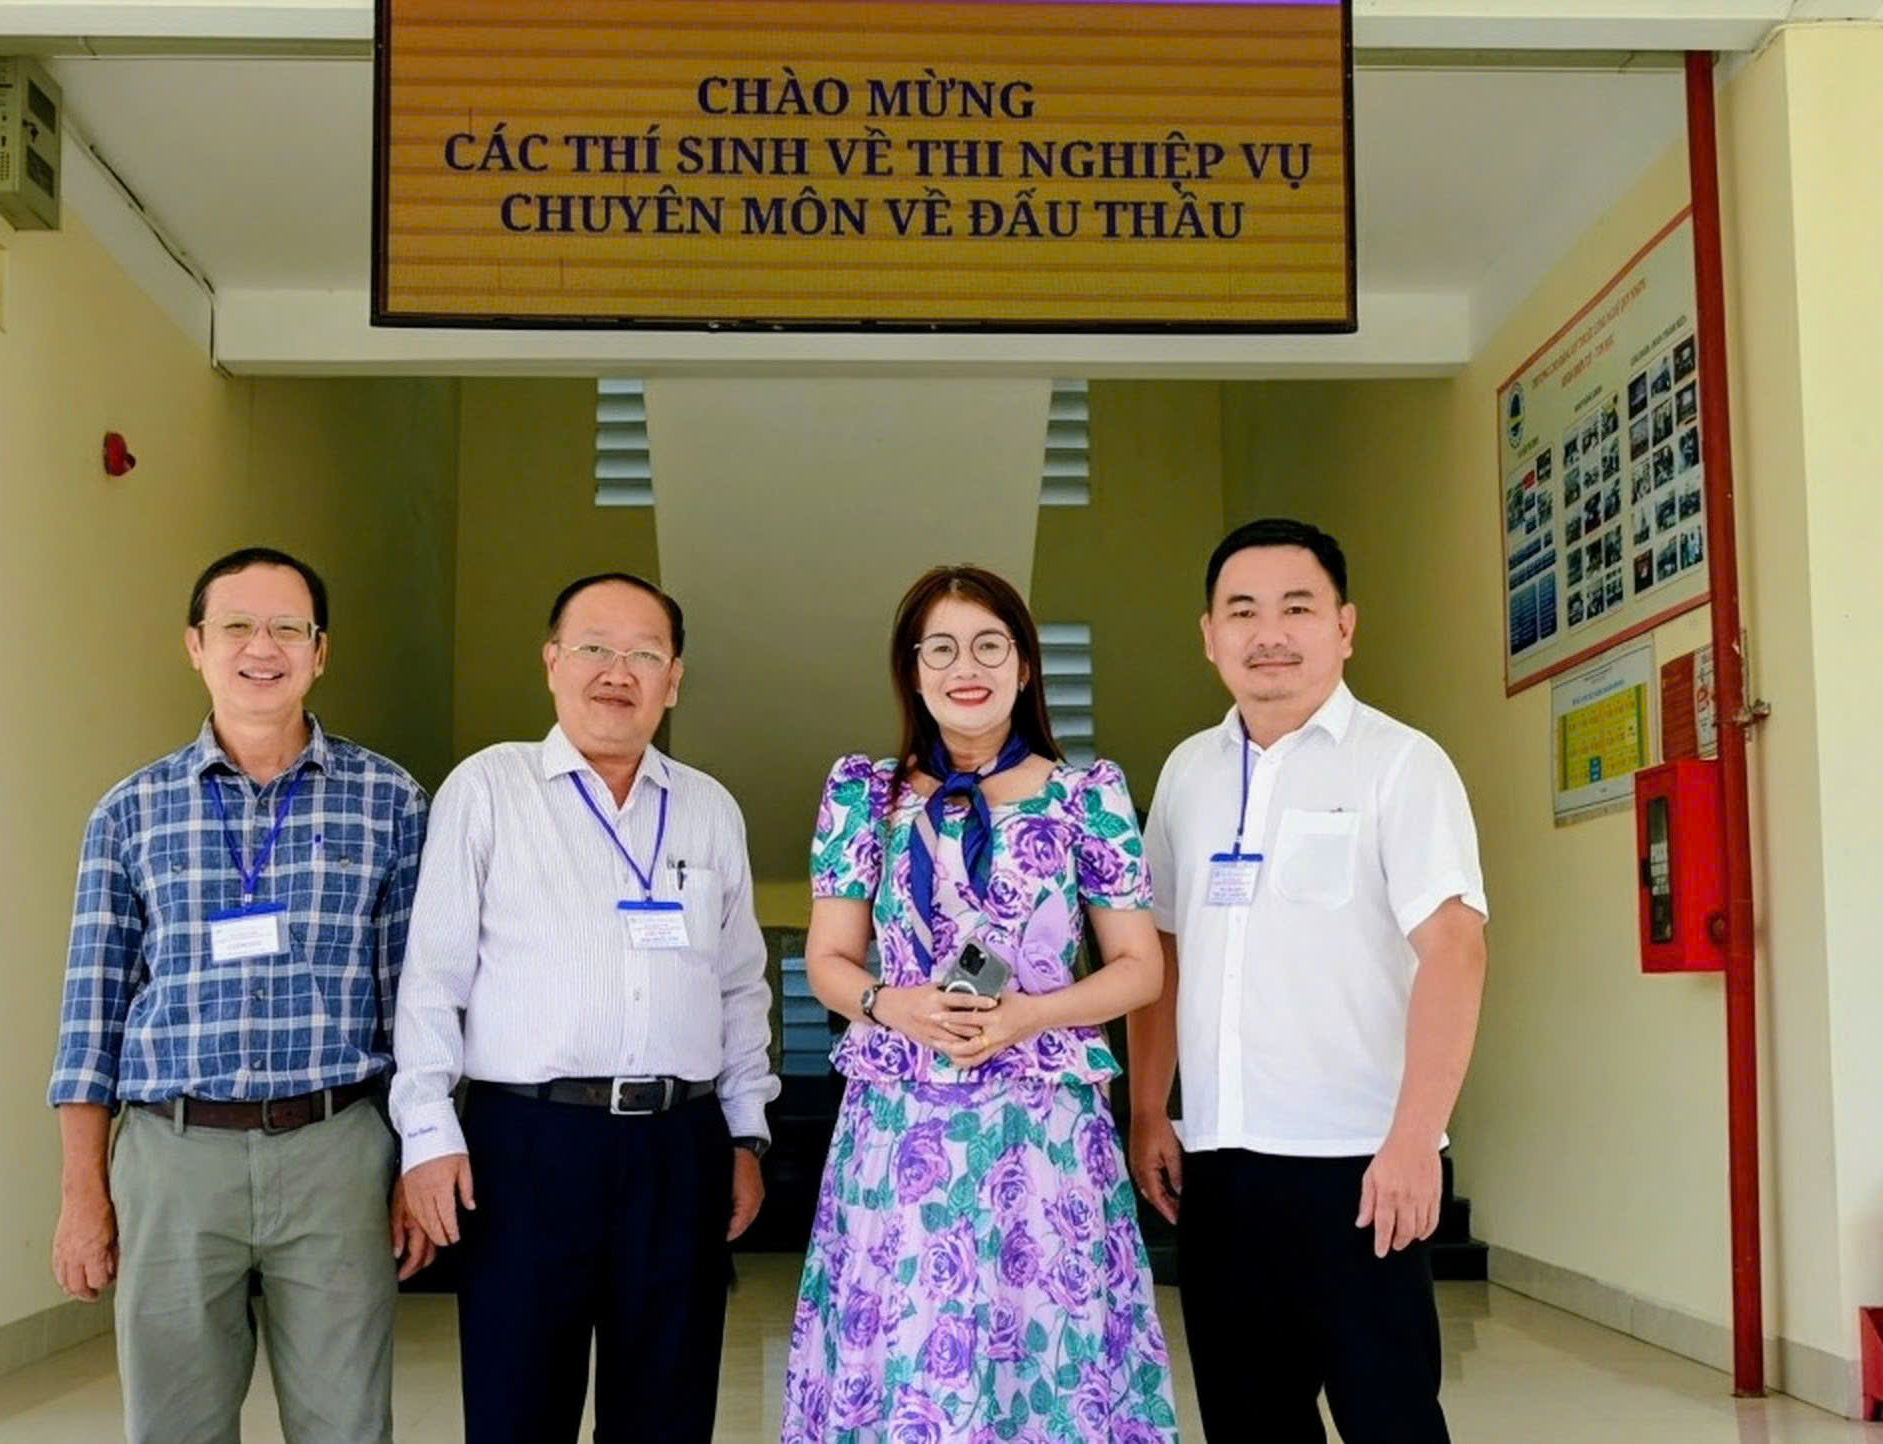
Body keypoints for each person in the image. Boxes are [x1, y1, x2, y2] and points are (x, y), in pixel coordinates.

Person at [783, 564, 1178, 1443]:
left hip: (1043, 1132)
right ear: (913, 669)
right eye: (943, 649)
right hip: (900, 1126)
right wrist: (894, 1005)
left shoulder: (1087, 797)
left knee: (1047, 1342)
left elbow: (1140, 968)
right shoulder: (863, 794)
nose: (967, 667)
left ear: (1025, 667)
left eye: (990, 646)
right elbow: (828, 960)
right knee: (907, 1346)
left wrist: (1028, 1014)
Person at [47, 546, 431, 1444]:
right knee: (174, 1427)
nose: (263, 647)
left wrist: (417, 1164)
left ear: (320, 651)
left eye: (288, 628)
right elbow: (89, 1021)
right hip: (173, 1156)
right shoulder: (129, 812)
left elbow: (417, 1010)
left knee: (346, 1425)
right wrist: (81, 1194)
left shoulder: (392, 802)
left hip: (337, 1150)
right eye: (237, 627)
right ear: (195, 645)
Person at [391, 571, 778, 1443]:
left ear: (673, 680)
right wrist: (428, 1132)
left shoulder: (709, 808)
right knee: (518, 1413)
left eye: (645, 654)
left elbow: (740, 987)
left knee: (667, 1417)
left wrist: (746, 1136)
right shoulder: (488, 787)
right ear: (551, 662)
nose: (617, 671)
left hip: (680, 1148)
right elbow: (433, 979)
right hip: (528, 1148)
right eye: (594, 647)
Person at [1128, 518, 1489, 1444]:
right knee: (1249, 1423)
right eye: (1242, 611)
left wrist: (1414, 1141)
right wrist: (1150, 1109)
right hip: (1220, 1166)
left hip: (1361, 1166)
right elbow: (1161, 953)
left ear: (1345, 627)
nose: (1269, 634)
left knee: (1390, 1420)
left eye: (1297, 608)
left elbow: (1455, 950)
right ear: (1209, 635)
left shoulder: (1401, 764)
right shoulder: (1188, 773)